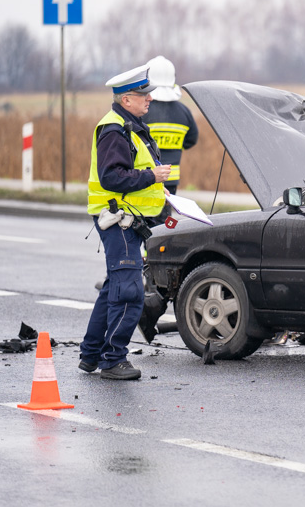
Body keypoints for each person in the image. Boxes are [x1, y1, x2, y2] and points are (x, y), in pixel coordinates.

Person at [80, 64, 171, 380]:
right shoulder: (115, 129)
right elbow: (111, 176)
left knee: (113, 290)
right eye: (143, 96)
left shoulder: (129, 125)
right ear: (126, 98)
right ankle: (113, 359)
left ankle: (91, 355)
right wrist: (152, 176)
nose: (149, 100)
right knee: (129, 292)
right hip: (118, 220)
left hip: (128, 220)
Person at [144, 56, 198, 195]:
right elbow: (191, 140)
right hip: (171, 180)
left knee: (148, 216)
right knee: (166, 217)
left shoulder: (142, 110)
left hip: (146, 179)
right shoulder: (184, 112)